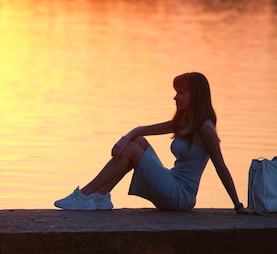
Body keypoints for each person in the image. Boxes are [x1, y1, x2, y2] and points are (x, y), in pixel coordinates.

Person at [54, 72, 261, 214]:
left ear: (195, 95)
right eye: (176, 91)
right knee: (137, 141)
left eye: (181, 92)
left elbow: (221, 166)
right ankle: (100, 196)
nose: (175, 97)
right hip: (172, 180)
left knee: (133, 149)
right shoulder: (184, 122)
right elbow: (143, 130)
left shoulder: (205, 128)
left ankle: (85, 194)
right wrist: (126, 138)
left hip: (182, 196)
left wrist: (238, 205)